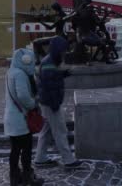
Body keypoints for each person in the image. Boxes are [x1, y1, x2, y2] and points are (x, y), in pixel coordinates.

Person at [34, 36, 83, 169]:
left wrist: (64, 73)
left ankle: (40, 158)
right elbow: (49, 86)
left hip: (47, 102)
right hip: (51, 104)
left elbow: (51, 79)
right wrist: (55, 105)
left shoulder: (49, 61)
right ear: (57, 50)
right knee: (60, 131)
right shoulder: (49, 63)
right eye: (63, 50)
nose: (64, 53)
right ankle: (68, 160)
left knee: (46, 131)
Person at [4, 48, 44, 186]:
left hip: (11, 117)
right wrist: (34, 104)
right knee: (26, 149)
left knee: (15, 149)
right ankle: (28, 177)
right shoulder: (20, 74)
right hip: (21, 119)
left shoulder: (11, 71)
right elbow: (23, 96)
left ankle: (15, 178)